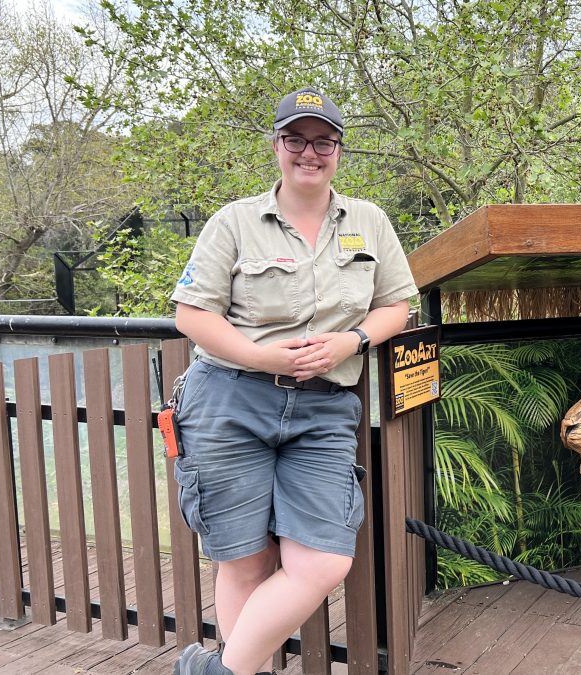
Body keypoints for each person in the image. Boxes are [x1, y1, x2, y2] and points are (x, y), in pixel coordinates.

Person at [168, 86, 417, 675]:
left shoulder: (370, 222)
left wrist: (351, 341)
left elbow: (397, 305)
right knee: (246, 560)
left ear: (339, 149)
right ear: (277, 145)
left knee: (324, 561)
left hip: (326, 408)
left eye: (323, 141)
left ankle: (216, 671)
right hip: (230, 400)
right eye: (296, 140)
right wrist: (263, 358)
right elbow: (192, 314)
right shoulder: (233, 222)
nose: (310, 152)